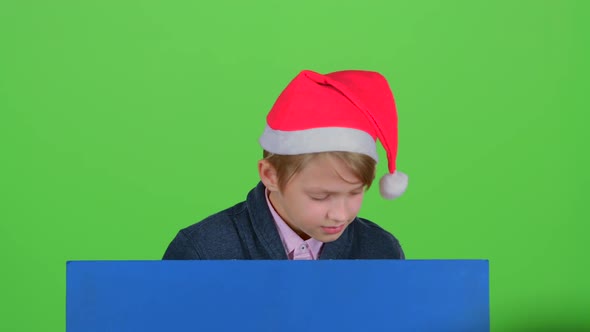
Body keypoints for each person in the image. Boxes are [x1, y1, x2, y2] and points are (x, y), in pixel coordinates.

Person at [163, 69, 409, 260]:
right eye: (320, 196)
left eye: (355, 193)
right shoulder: (202, 251)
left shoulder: (381, 250)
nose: (340, 215)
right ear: (270, 175)